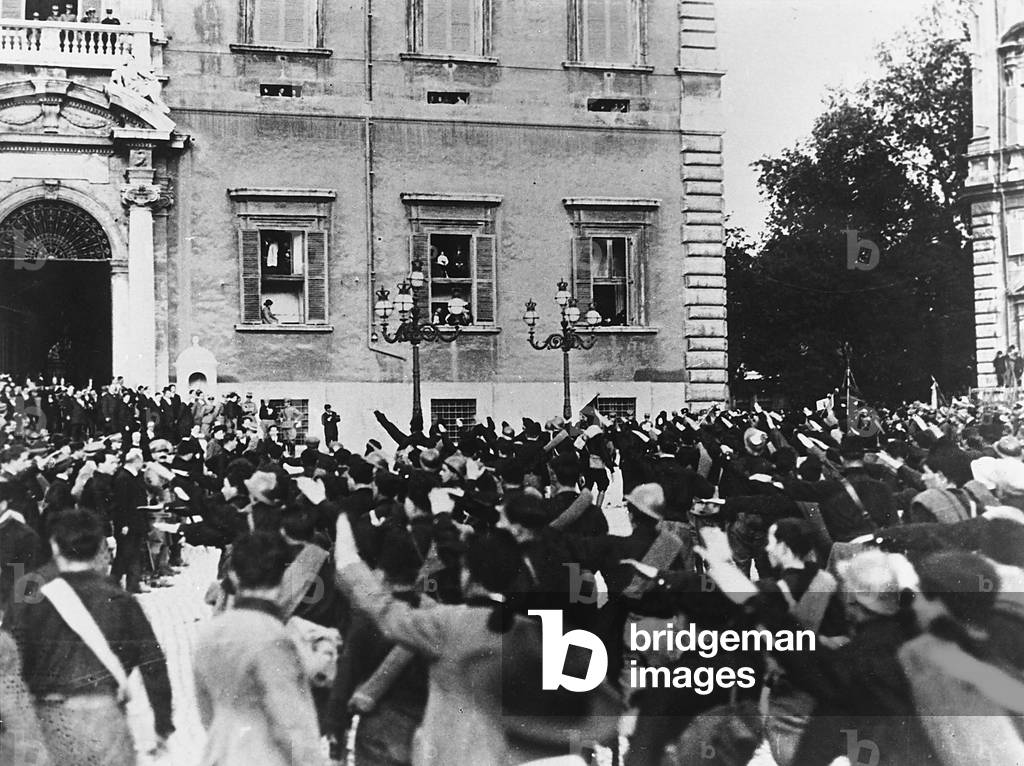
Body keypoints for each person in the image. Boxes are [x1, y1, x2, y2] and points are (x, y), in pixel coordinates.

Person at [9, 509, 174, 765]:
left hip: (46, 718)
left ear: (54, 545)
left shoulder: (30, 594)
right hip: (104, 716)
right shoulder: (119, 599)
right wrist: (162, 725)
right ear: (100, 547)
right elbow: (153, 664)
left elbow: (11, 655)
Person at [193, 530, 322, 766]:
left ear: (233, 574)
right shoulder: (274, 638)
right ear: (284, 575)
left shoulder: (210, 632)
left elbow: (205, 707)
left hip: (219, 753)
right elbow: (292, 722)